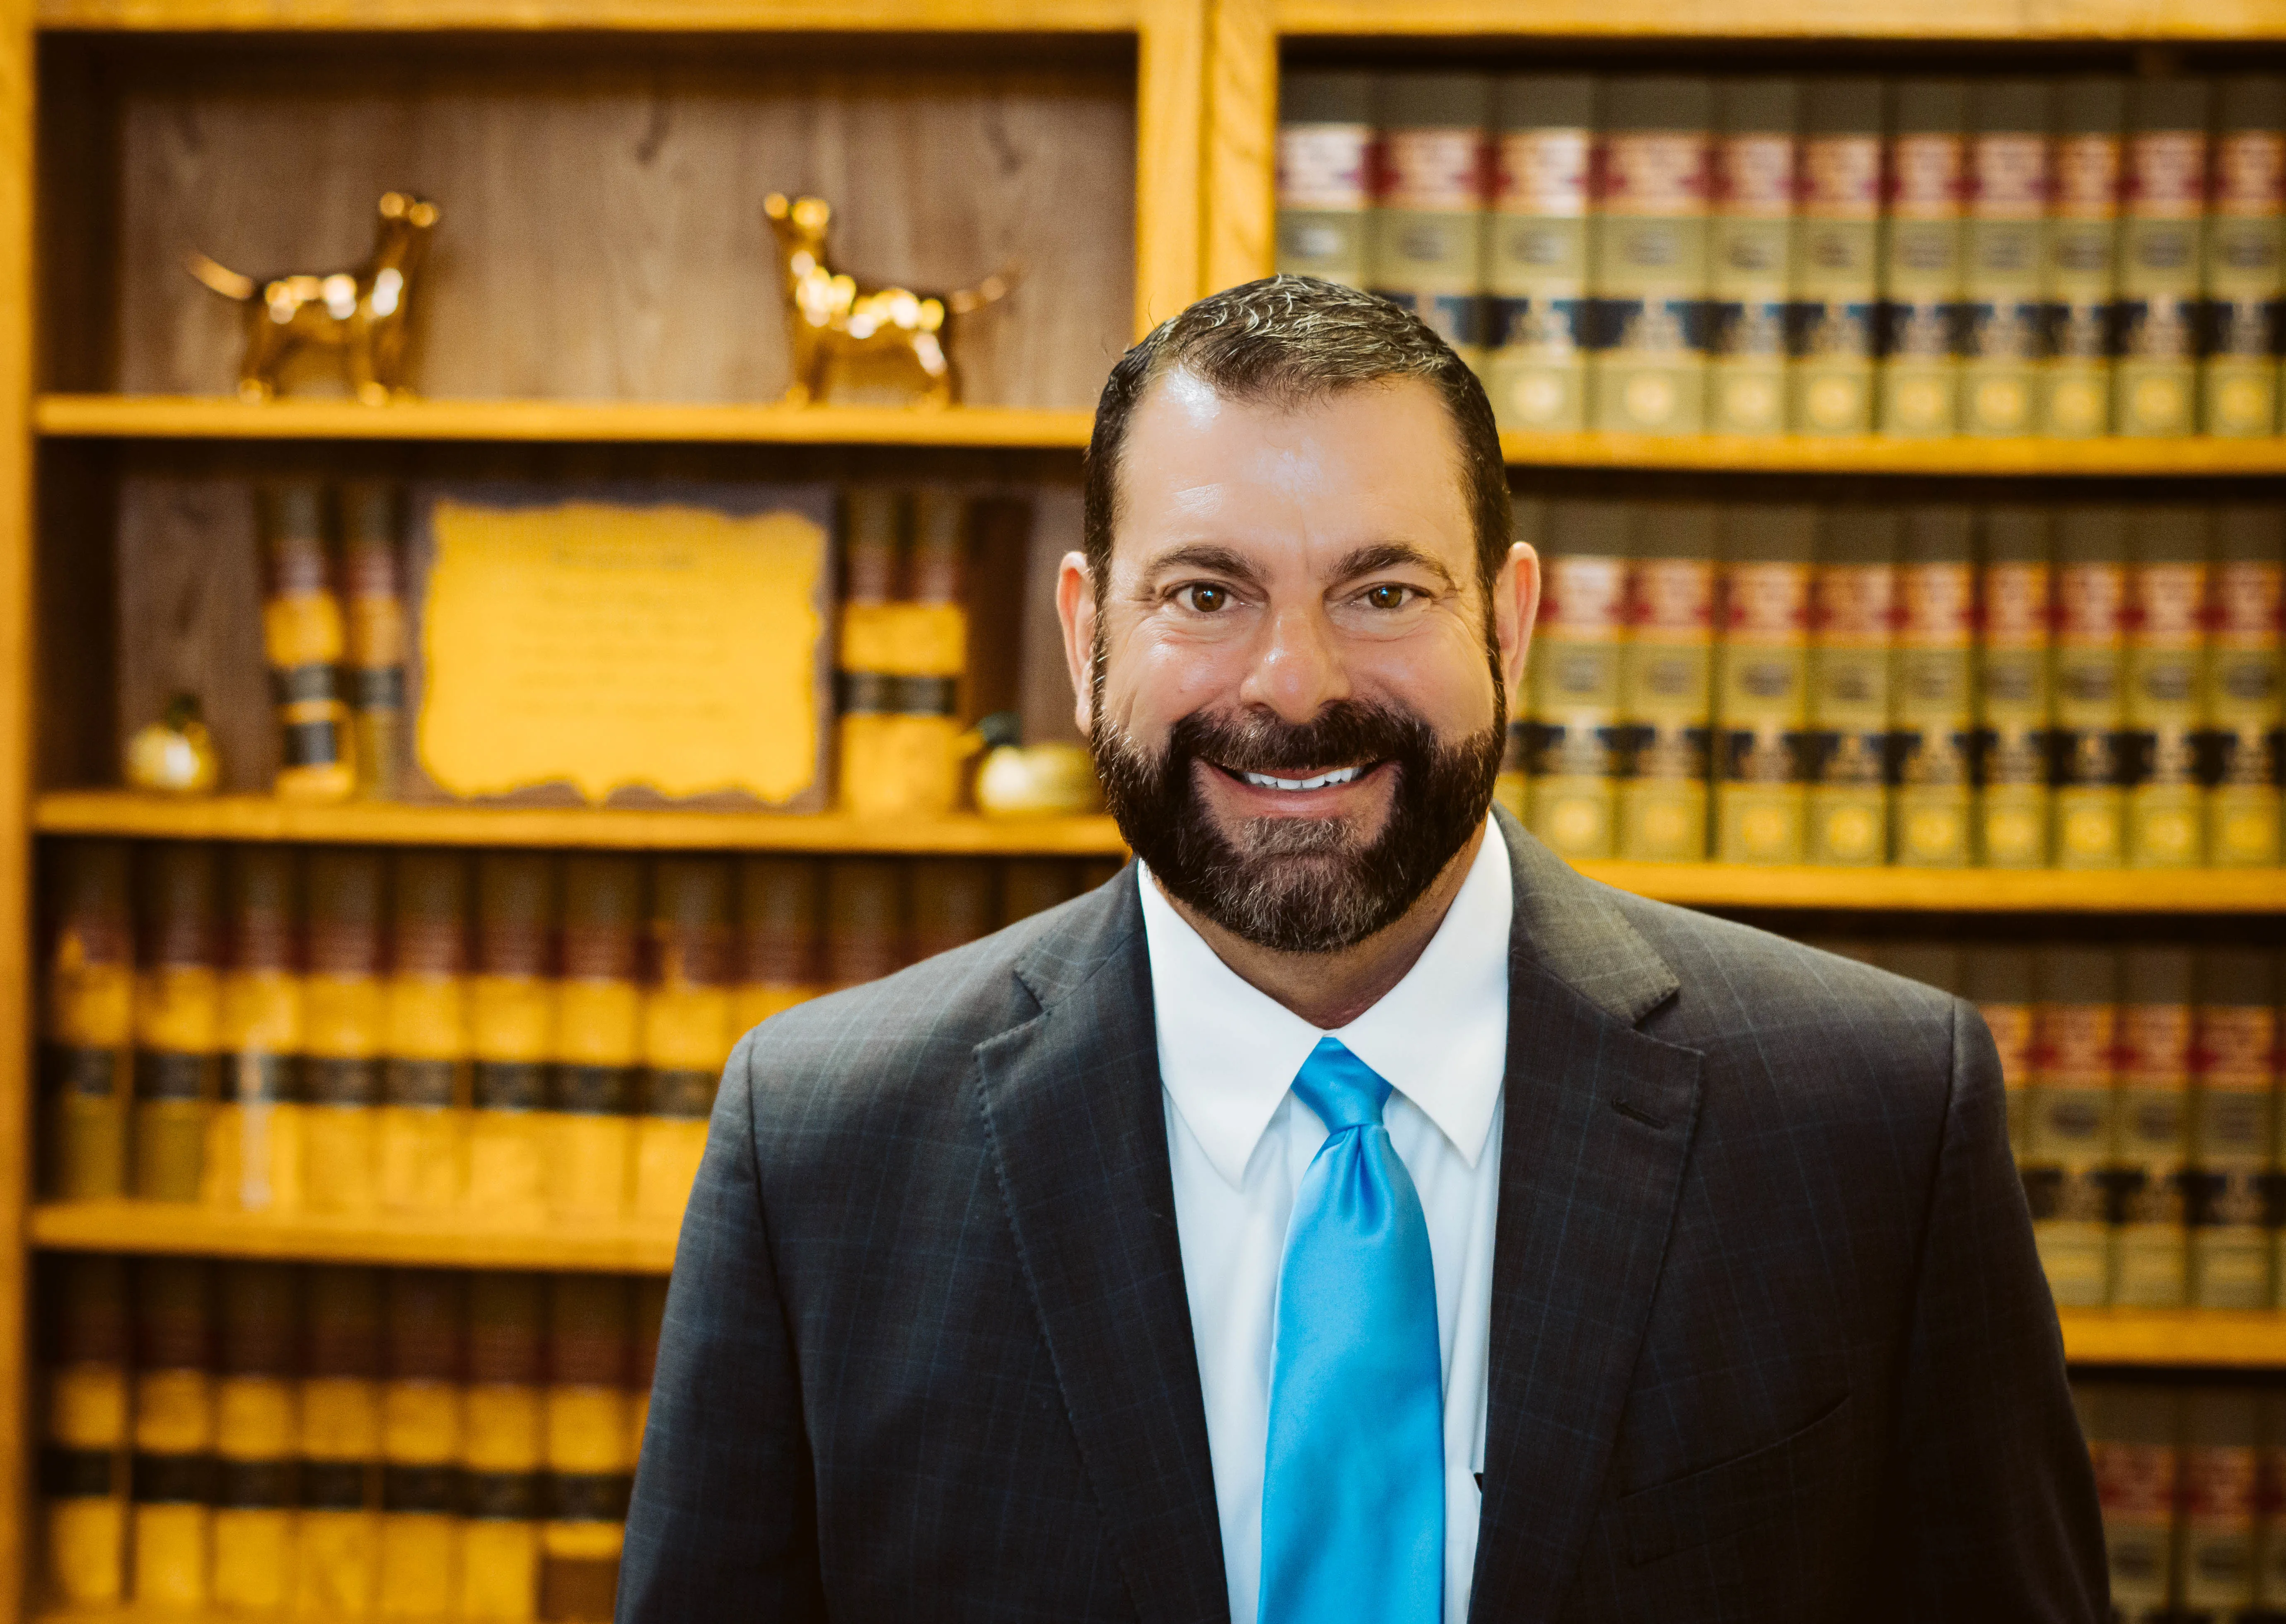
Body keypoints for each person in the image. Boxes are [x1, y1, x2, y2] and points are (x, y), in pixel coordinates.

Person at [618, 276, 2106, 1624]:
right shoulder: (821, 1145)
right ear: (1085, 644)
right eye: (1206, 594)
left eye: (1383, 592)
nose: (1296, 683)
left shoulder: (1874, 1120)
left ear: (1511, 627)